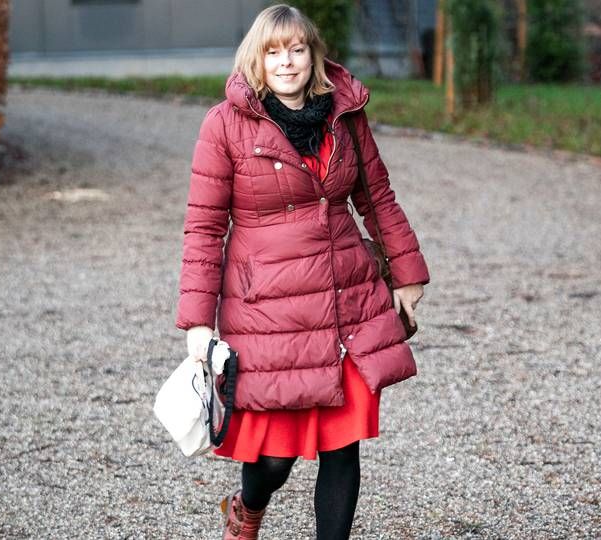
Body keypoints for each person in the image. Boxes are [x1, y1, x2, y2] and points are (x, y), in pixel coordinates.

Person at [176, 5, 429, 539]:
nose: (286, 62)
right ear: (257, 59)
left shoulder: (345, 115)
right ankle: (246, 510)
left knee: (342, 445)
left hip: (344, 301)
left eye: (297, 49)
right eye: (273, 52)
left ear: (313, 55)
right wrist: (198, 323)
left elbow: (376, 195)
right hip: (271, 310)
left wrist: (407, 273)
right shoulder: (225, 124)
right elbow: (203, 227)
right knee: (273, 459)